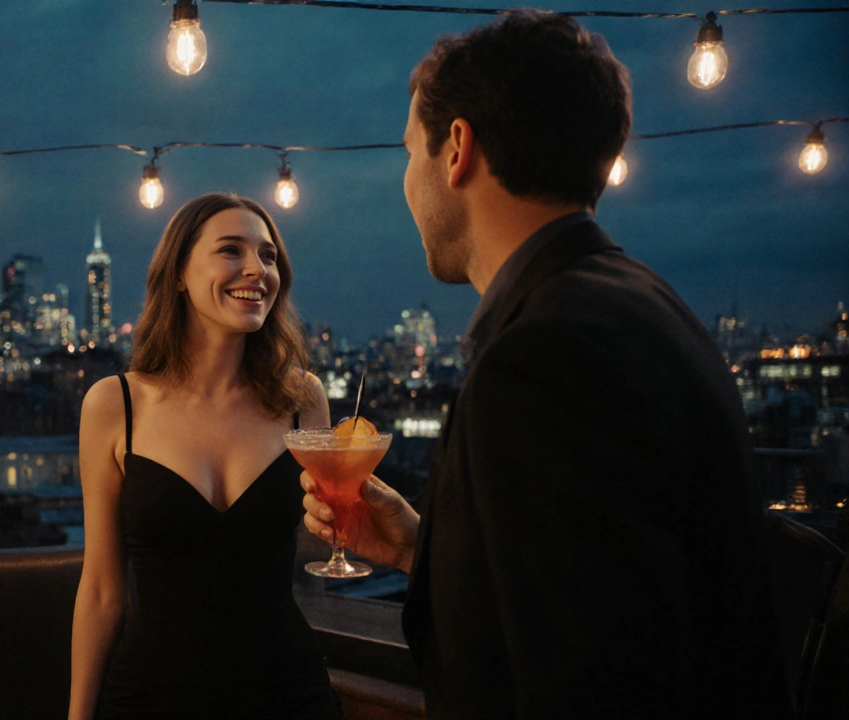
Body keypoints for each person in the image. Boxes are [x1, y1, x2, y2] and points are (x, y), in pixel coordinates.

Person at [301, 11, 790, 719]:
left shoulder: (542, 356)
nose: (407, 183)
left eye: (410, 152)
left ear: (457, 148)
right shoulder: (639, 302)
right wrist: (421, 547)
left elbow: (587, 681)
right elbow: (608, 596)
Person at [69, 193, 341, 719]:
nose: (256, 269)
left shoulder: (303, 399)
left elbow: (321, 542)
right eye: (230, 250)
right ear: (177, 274)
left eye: (268, 255)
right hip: (148, 701)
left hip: (288, 698)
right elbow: (102, 588)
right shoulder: (114, 405)